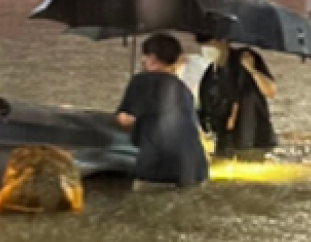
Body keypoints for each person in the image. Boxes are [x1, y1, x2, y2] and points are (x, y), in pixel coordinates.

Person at [116, 33, 209, 189]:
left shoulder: (142, 81)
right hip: (196, 169)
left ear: (152, 58)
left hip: (158, 168)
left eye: (144, 56)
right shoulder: (183, 89)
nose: (143, 60)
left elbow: (125, 119)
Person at [196, 35, 278, 159]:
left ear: (223, 42)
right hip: (224, 142)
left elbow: (271, 91)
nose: (206, 49)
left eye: (210, 44)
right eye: (203, 46)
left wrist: (251, 70)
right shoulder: (210, 73)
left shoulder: (246, 59)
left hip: (252, 139)